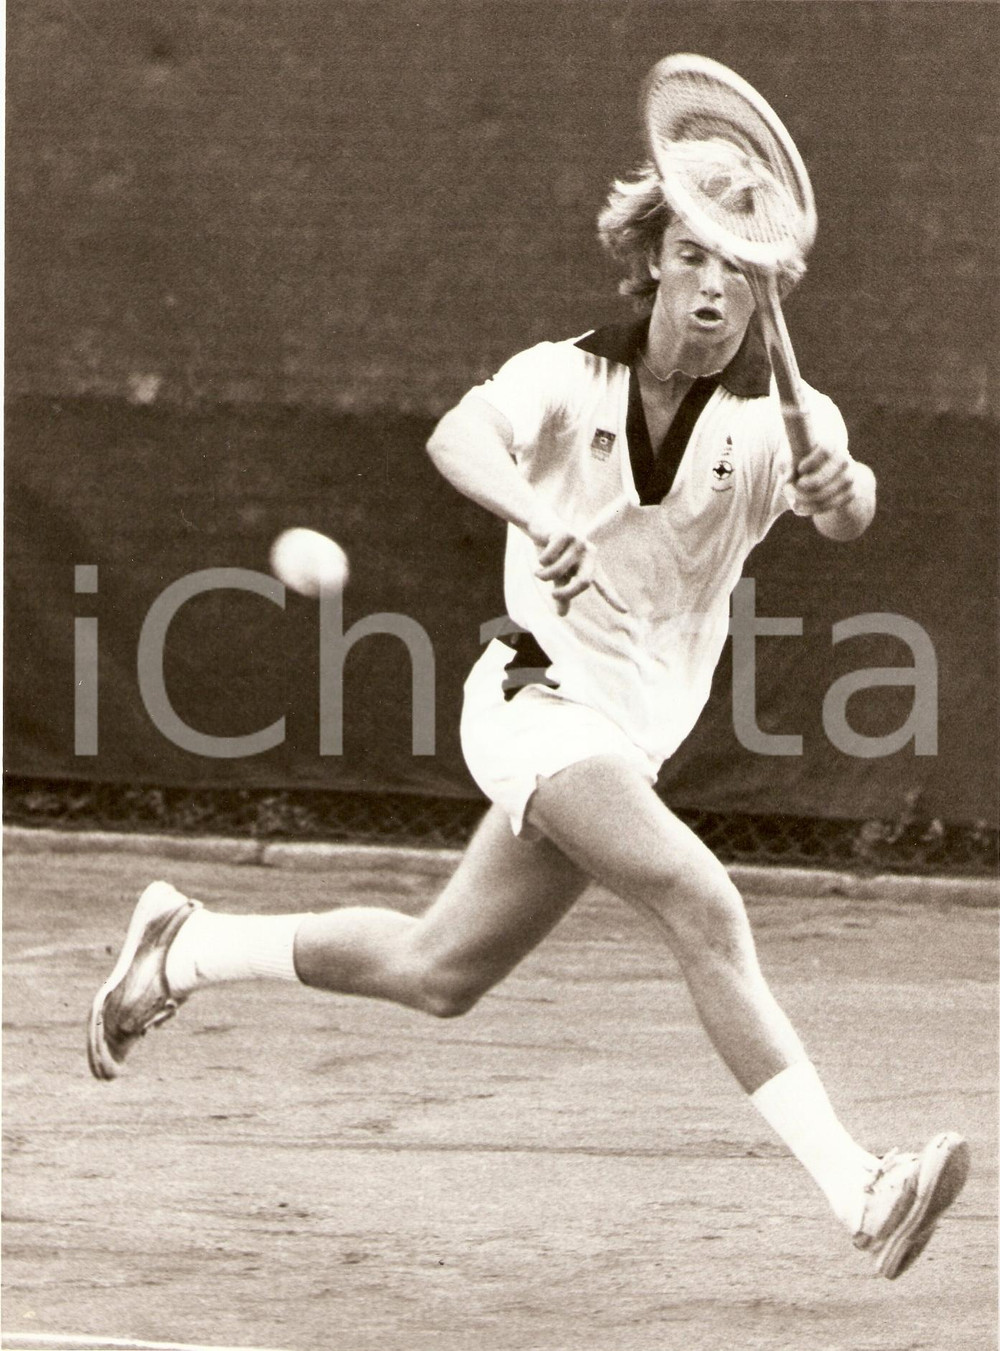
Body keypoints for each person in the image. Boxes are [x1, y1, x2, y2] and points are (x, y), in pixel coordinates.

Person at [87, 159, 969, 1281]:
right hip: (534, 701)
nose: (706, 284)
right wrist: (532, 509)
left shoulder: (777, 423)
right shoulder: (564, 377)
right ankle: (859, 1183)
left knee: (437, 970)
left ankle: (184, 947)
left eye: (733, 268)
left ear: (763, 293)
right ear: (651, 259)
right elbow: (460, 435)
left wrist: (842, 490)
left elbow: (848, 508)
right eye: (687, 253)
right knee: (699, 898)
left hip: (628, 741)